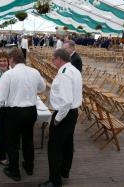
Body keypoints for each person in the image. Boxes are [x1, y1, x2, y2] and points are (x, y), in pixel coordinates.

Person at [0, 48, 46, 181]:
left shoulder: (9, 75)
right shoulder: (34, 72)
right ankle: (29, 167)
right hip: (31, 111)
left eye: (8, 60)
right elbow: (42, 88)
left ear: (11, 59)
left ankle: (14, 171)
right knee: (28, 140)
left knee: (13, 143)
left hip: (15, 113)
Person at [39, 49, 82, 187]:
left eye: (53, 59)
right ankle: (64, 171)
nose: (53, 61)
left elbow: (66, 101)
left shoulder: (64, 74)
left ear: (59, 59)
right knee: (68, 144)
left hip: (64, 114)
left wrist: (57, 119)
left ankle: (54, 181)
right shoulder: (73, 70)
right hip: (72, 113)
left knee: (54, 148)